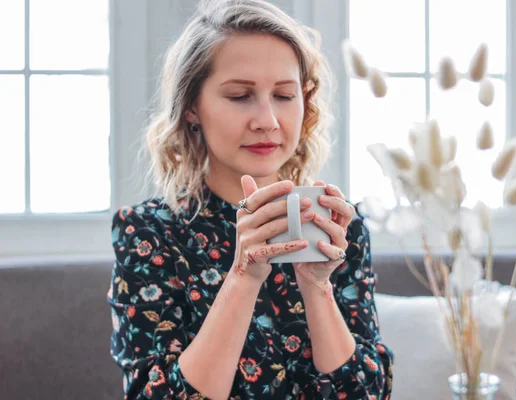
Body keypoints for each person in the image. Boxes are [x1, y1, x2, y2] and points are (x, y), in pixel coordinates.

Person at [107, 0, 394, 398]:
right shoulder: (150, 233)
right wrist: (243, 277)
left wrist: (316, 287)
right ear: (192, 107)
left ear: (305, 103)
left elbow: (368, 394)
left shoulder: (338, 227)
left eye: (284, 95)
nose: (267, 121)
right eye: (241, 96)